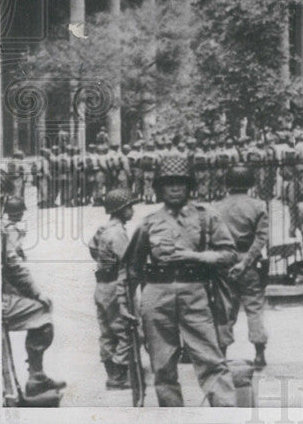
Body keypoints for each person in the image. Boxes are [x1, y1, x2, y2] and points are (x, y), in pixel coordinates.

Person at [117, 156, 237, 406]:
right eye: (168, 184)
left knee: (210, 360)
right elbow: (130, 268)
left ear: (189, 187)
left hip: (195, 293)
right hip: (157, 296)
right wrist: (123, 302)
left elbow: (229, 254)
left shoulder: (207, 217)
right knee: (162, 366)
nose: (174, 188)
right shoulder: (149, 223)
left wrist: (197, 256)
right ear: (159, 189)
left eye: (180, 183)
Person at [1, 196, 67, 397]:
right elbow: (12, 266)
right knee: (43, 312)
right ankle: (36, 376)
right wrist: (36, 293)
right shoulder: (7, 229)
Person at [214, 166, 270, 367]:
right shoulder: (258, 205)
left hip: (224, 260)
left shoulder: (217, 207)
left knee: (224, 309)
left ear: (227, 184)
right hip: (249, 261)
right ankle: (259, 353)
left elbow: (212, 237)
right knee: (254, 307)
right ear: (250, 184)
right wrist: (246, 262)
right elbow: (261, 237)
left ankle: (221, 352)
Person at [89, 188, 137, 390]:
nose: (132, 210)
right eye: (129, 207)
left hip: (101, 286)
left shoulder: (102, 230)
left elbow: (93, 250)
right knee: (125, 330)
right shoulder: (117, 233)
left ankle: (111, 372)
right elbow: (129, 260)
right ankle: (119, 374)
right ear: (121, 210)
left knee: (107, 331)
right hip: (114, 286)